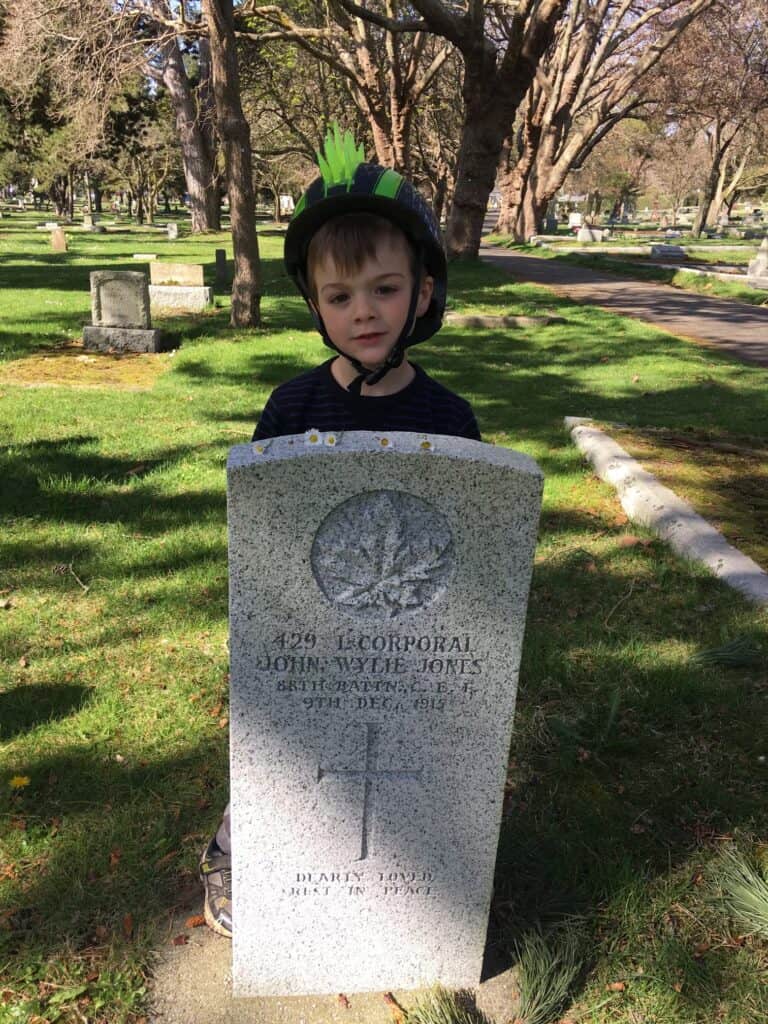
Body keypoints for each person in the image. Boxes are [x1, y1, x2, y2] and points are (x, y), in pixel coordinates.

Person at [199, 127, 481, 938]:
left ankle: (419, 865)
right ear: (315, 305)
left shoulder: (449, 417)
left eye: (386, 290)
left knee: (399, 755)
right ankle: (233, 847)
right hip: (308, 625)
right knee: (281, 748)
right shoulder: (293, 407)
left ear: (422, 294)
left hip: (409, 633)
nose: (364, 312)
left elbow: (467, 538)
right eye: (341, 296)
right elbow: (263, 523)